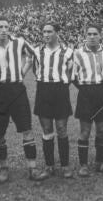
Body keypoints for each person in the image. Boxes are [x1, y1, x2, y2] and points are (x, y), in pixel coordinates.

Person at [0, 17, 48, 183]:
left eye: (6, 26)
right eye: (0, 27)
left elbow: (34, 55)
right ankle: (4, 169)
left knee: (27, 129)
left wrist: (22, 73)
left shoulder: (19, 42)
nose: (4, 30)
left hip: (17, 90)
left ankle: (32, 168)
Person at [32, 23, 75, 178]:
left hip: (60, 90)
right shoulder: (37, 51)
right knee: (47, 129)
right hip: (43, 90)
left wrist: (63, 83)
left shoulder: (68, 52)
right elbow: (35, 70)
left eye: (49, 31)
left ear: (57, 33)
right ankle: (49, 166)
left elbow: (71, 72)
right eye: (44, 31)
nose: (46, 34)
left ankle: (65, 166)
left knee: (62, 128)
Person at [72, 25, 103, 177]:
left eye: (95, 34)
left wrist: (99, 83)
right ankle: (83, 165)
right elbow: (74, 77)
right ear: (85, 36)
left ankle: (99, 163)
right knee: (85, 131)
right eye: (89, 34)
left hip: (102, 91)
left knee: (102, 130)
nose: (91, 36)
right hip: (85, 93)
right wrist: (85, 87)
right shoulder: (78, 53)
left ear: (100, 35)